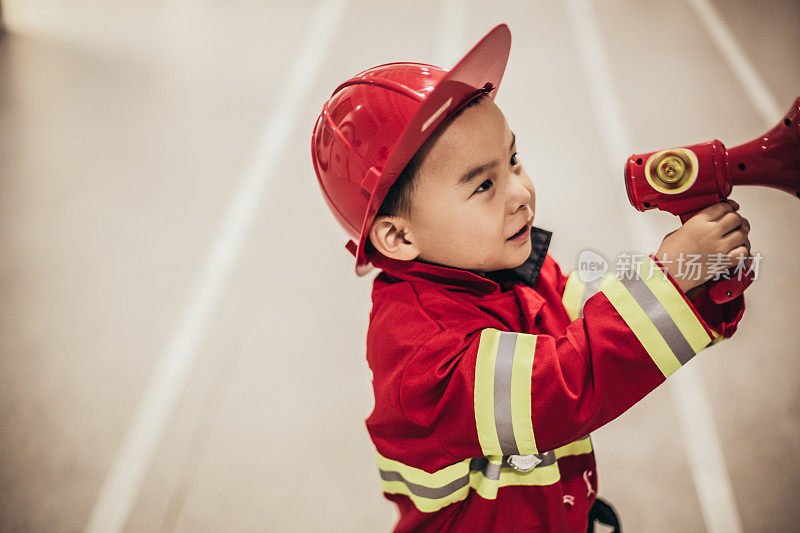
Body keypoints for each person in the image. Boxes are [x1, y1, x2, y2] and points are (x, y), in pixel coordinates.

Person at [310, 23, 749, 533]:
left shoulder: (510, 265)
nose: (521, 192)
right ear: (399, 237)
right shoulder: (420, 356)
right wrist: (665, 284)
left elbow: (592, 314)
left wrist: (698, 288)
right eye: (484, 185)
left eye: (514, 159)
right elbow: (559, 388)